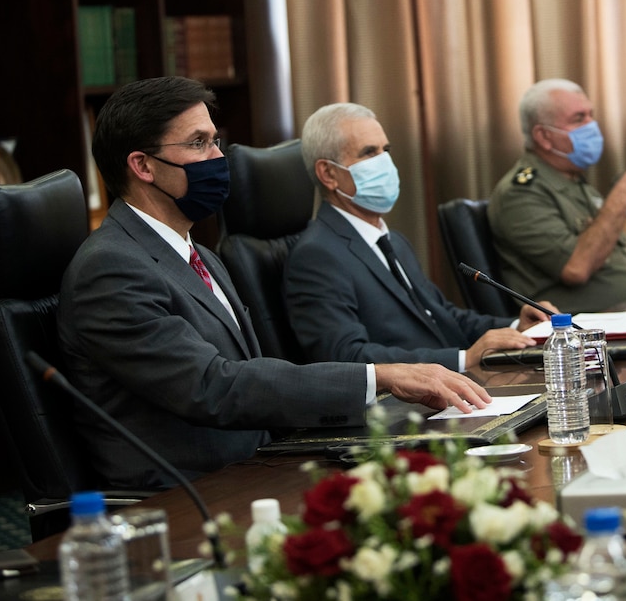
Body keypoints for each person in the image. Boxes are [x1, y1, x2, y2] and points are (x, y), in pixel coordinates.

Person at [58, 78, 489, 489]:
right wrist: (380, 376)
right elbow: (215, 387)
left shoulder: (198, 254)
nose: (216, 157)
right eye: (198, 143)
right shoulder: (111, 268)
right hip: (187, 495)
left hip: (258, 464)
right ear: (142, 165)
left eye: (214, 140)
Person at [285, 103, 551, 371]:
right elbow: (346, 357)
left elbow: (442, 317)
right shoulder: (317, 255)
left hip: (454, 387)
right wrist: (462, 359)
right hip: (404, 405)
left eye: (385, 150)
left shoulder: (394, 241)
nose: (384, 161)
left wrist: (517, 326)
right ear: (328, 174)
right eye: (369, 153)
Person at [487, 79, 626, 313]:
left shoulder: (574, 181)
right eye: (579, 119)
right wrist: (620, 199)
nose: (592, 125)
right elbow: (576, 269)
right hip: (583, 333)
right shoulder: (521, 193)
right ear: (544, 137)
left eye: (591, 115)